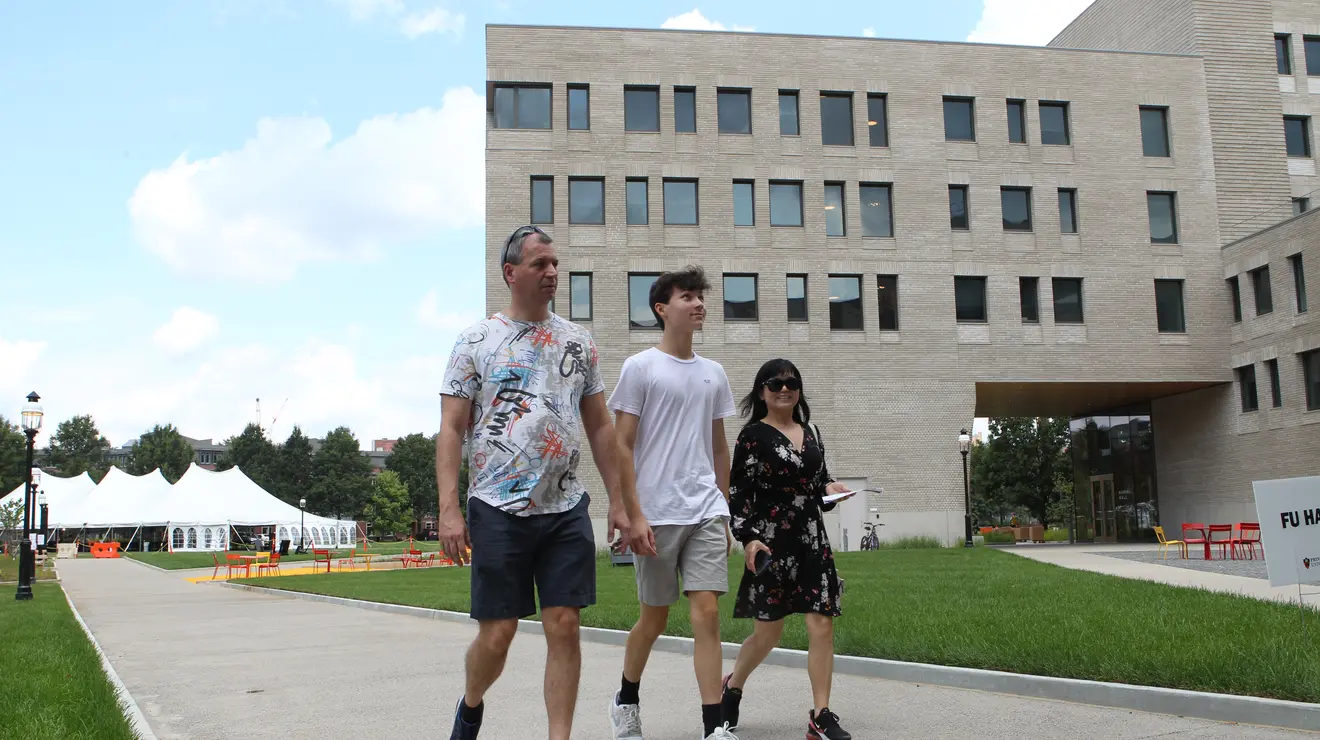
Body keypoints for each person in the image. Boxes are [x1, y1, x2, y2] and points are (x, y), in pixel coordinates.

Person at [436, 225, 632, 740]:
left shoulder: (577, 341)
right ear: (511, 273)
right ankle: (471, 704)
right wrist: (449, 508)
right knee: (497, 635)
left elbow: (599, 426)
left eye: (554, 264)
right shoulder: (475, 342)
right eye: (540, 264)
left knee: (565, 625)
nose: (552, 272)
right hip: (497, 507)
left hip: (565, 505)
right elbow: (452, 428)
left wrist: (618, 500)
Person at [606, 265, 739, 740]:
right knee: (654, 618)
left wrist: (724, 512)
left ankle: (714, 726)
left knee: (707, 613)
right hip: (655, 514)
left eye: (701, 296)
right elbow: (622, 444)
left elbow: (719, 447)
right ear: (663, 308)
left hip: (704, 508)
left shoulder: (714, 373)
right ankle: (625, 698)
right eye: (688, 296)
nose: (699, 303)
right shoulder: (640, 367)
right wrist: (631, 511)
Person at [719, 358, 853, 740]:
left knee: (821, 623)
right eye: (774, 382)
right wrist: (747, 537)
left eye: (791, 382)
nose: (783, 388)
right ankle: (733, 686)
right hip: (771, 542)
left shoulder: (810, 431)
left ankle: (821, 715)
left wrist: (831, 490)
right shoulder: (752, 436)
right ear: (762, 391)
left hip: (812, 539)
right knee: (768, 634)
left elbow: (819, 482)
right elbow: (740, 493)